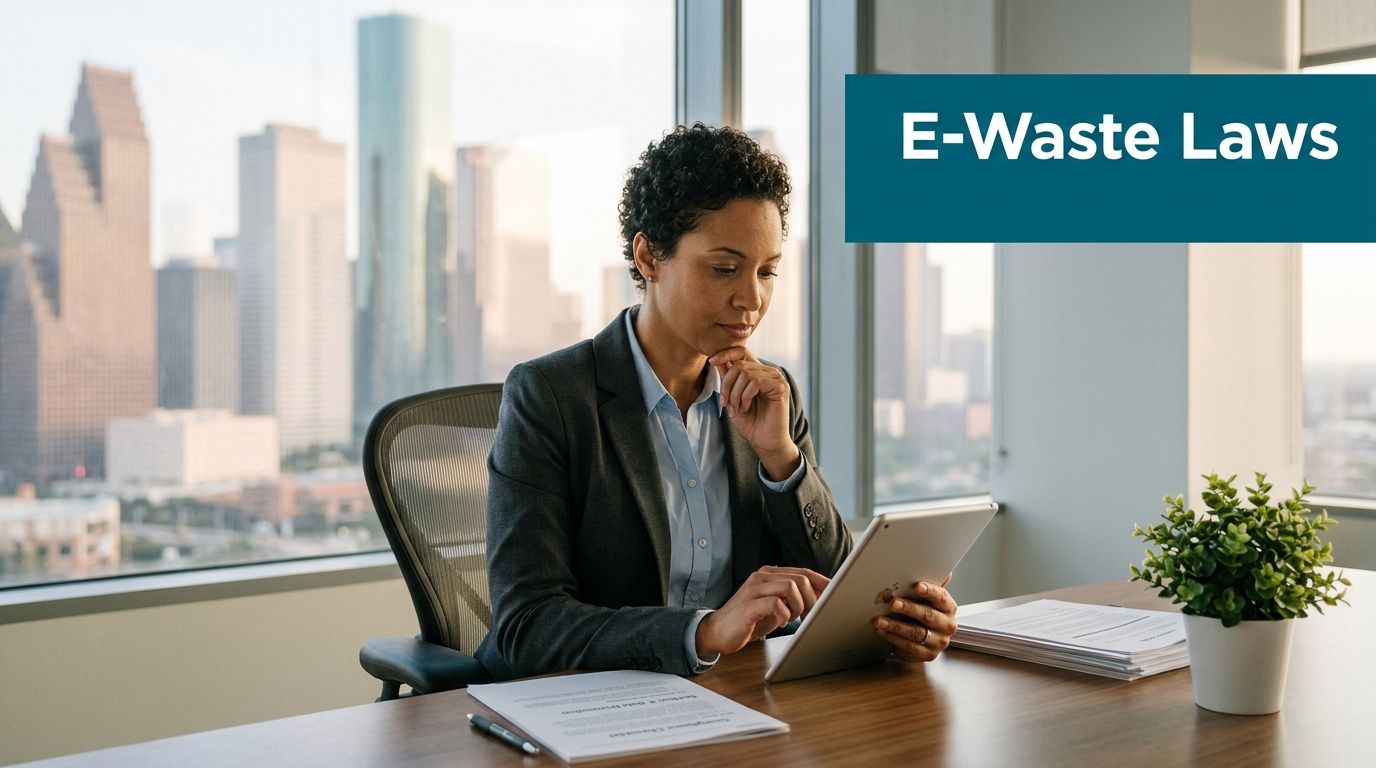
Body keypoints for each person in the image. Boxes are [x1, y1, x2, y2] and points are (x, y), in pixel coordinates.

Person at [476, 123, 958, 680]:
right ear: (650, 256)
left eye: (768, 271)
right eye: (725, 268)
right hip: (583, 711)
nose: (752, 298)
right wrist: (704, 630)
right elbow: (526, 625)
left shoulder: (768, 395)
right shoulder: (551, 396)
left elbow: (832, 589)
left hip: (732, 702)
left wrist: (897, 617)